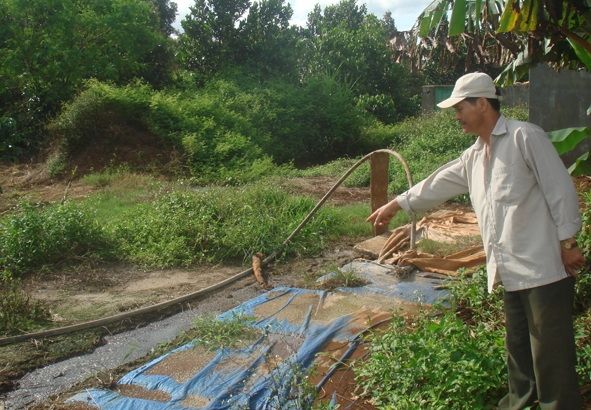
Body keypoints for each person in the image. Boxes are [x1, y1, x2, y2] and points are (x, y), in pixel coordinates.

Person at [366, 72, 586, 410]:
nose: (456, 115)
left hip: (545, 268)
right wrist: (397, 203)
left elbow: (560, 190)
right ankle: (518, 404)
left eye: (459, 107)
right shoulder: (474, 155)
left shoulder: (525, 137)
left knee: (551, 354)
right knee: (518, 352)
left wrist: (568, 243)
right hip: (510, 270)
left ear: (482, 103)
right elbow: (437, 182)